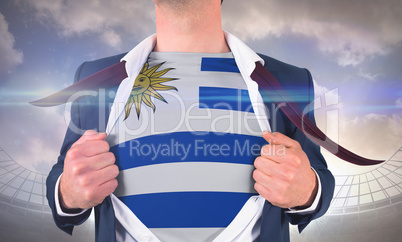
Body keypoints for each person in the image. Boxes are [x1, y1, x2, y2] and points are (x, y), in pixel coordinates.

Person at [46, 1, 335, 241]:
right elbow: (63, 175)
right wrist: (68, 190)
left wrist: (308, 189)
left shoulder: (290, 80)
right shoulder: (95, 79)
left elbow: (318, 178)